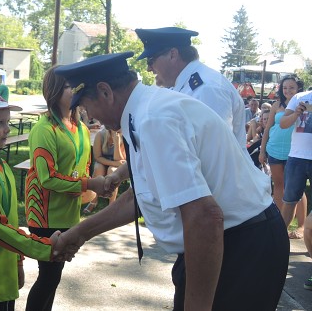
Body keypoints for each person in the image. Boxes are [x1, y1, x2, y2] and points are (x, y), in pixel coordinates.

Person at [53, 52, 289, 310]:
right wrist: (80, 233)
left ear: (105, 91)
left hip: (241, 247)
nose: (89, 115)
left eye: (86, 105)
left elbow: (205, 216)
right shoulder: (142, 112)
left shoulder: (153, 119)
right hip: (224, 243)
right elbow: (141, 196)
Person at [0, 89, 62, 310]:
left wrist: (17, 262)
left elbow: (11, 220)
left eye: (8, 122)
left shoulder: (0, 165)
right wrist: (46, 249)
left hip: (2, 278)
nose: (7, 129)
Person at [24, 66, 107, 311]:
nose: (76, 90)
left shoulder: (80, 128)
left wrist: (89, 188)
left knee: (54, 276)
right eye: (70, 86)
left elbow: (84, 165)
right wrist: (89, 184)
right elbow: (47, 178)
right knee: (48, 276)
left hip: (69, 212)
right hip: (45, 214)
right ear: (55, 91)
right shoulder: (44, 129)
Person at [136, 27, 246, 149]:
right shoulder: (187, 86)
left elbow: (214, 152)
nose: (148, 69)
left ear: (173, 54)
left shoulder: (207, 88)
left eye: (151, 61)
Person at [259, 75, 308, 239]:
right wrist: (262, 150)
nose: (288, 90)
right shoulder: (276, 105)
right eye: (285, 87)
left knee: (296, 191)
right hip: (274, 149)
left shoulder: (303, 102)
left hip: (294, 152)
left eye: (292, 87)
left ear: (298, 88)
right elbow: (267, 129)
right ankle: (280, 225)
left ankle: (301, 226)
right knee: (279, 187)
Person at [278, 87, 312, 242]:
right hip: (297, 157)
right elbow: (283, 124)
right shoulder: (299, 97)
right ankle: (278, 240)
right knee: (289, 201)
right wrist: (296, 113)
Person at [83, 126, 126, 214]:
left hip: (115, 164)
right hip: (102, 161)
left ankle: (111, 205)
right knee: (99, 168)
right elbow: (98, 157)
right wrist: (114, 163)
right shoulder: (100, 135)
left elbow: (119, 159)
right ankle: (93, 200)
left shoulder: (123, 136)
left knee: (112, 171)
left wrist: (116, 142)